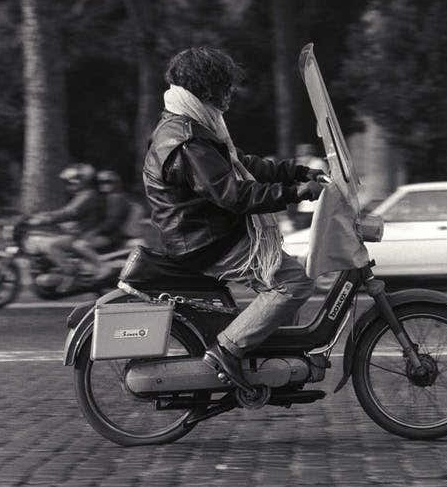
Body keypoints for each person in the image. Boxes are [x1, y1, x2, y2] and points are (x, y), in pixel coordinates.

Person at [139, 46, 324, 391]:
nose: (231, 94)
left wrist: (297, 172)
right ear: (207, 87)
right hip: (204, 241)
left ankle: (271, 359)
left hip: (209, 233)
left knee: (289, 276)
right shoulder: (186, 139)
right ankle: (226, 351)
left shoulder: (196, 123)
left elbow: (244, 166)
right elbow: (232, 193)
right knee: (295, 283)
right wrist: (294, 193)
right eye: (226, 86)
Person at [27, 164, 104, 287]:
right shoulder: (82, 195)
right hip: (78, 232)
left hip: (84, 234)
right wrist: (45, 215)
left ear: (82, 180)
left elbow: (71, 212)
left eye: (72, 181)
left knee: (52, 245)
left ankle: (70, 273)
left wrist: (46, 219)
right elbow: (67, 211)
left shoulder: (88, 195)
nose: (69, 185)